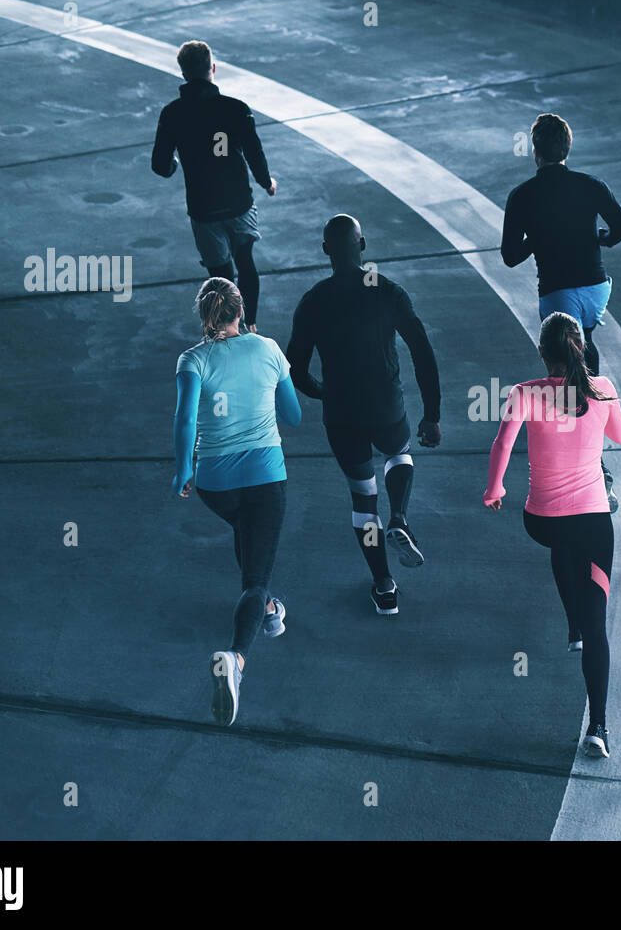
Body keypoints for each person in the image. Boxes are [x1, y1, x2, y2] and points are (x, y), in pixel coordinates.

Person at [484, 312, 621, 759]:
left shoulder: (523, 394)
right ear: (580, 348)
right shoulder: (603, 388)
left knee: (562, 543)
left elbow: (503, 443)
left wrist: (495, 487)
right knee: (597, 617)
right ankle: (598, 726)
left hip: (541, 520)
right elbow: (620, 437)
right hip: (592, 521)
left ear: (543, 353)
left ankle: (572, 626)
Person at [286, 215, 441, 616]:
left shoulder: (314, 300)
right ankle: (401, 517)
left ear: (325, 251)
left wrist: (323, 393)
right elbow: (422, 352)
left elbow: (295, 369)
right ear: (364, 245)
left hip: (342, 415)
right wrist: (432, 414)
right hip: (385, 405)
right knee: (399, 454)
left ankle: (384, 586)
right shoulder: (387, 291)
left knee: (363, 500)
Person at [173, 278, 301, 727]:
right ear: (240, 309)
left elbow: (185, 417)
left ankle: (269, 611)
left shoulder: (193, 359)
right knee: (255, 576)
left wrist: (183, 470)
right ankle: (237, 658)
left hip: (214, 484)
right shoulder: (267, 349)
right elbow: (294, 415)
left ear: (205, 316)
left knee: (247, 532)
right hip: (264, 478)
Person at [500, 113, 621, 511]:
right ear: (567, 148)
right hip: (596, 288)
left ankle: (587, 461)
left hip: (556, 291)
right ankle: (597, 439)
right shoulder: (590, 185)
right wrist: (597, 238)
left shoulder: (522, 196)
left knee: (562, 364)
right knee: (585, 345)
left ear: (535, 151)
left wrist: (536, 238)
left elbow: (509, 256)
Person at [152, 40, 277, 331]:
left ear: (183, 73)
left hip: (203, 206)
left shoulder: (172, 114)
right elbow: (254, 154)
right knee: (245, 260)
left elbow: (160, 165)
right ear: (213, 69)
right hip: (238, 201)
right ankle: (252, 324)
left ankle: (225, 329)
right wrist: (266, 183)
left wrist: (175, 164)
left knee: (220, 275)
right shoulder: (235, 109)